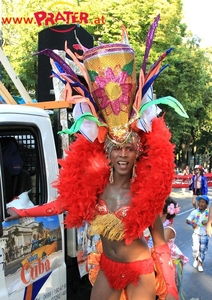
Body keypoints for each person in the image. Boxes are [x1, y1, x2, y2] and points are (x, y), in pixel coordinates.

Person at [4, 15, 188, 300]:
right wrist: (24, 212)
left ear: (137, 152)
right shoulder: (97, 184)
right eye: (117, 148)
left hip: (139, 270)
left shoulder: (145, 191)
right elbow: (61, 205)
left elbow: (160, 243)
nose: (123, 154)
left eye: (129, 148)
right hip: (108, 267)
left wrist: (172, 290)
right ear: (109, 152)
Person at [161, 197, 189, 300]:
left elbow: (158, 244)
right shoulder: (156, 224)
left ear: (165, 213)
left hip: (168, 262)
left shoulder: (168, 228)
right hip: (157, 259)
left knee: (166, 289)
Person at [186, 195, 210, 272]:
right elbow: (187, 220)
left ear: (206, 204)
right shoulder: (195, 212)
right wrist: (192, 223)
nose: (200, 203)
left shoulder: (209, 213)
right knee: (195, 249)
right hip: (196, 234)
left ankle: (200, 264)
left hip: (205, 235)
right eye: (199, 202)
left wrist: (208, 221)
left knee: (202, 250)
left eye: (203, 202)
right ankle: (195, 259)